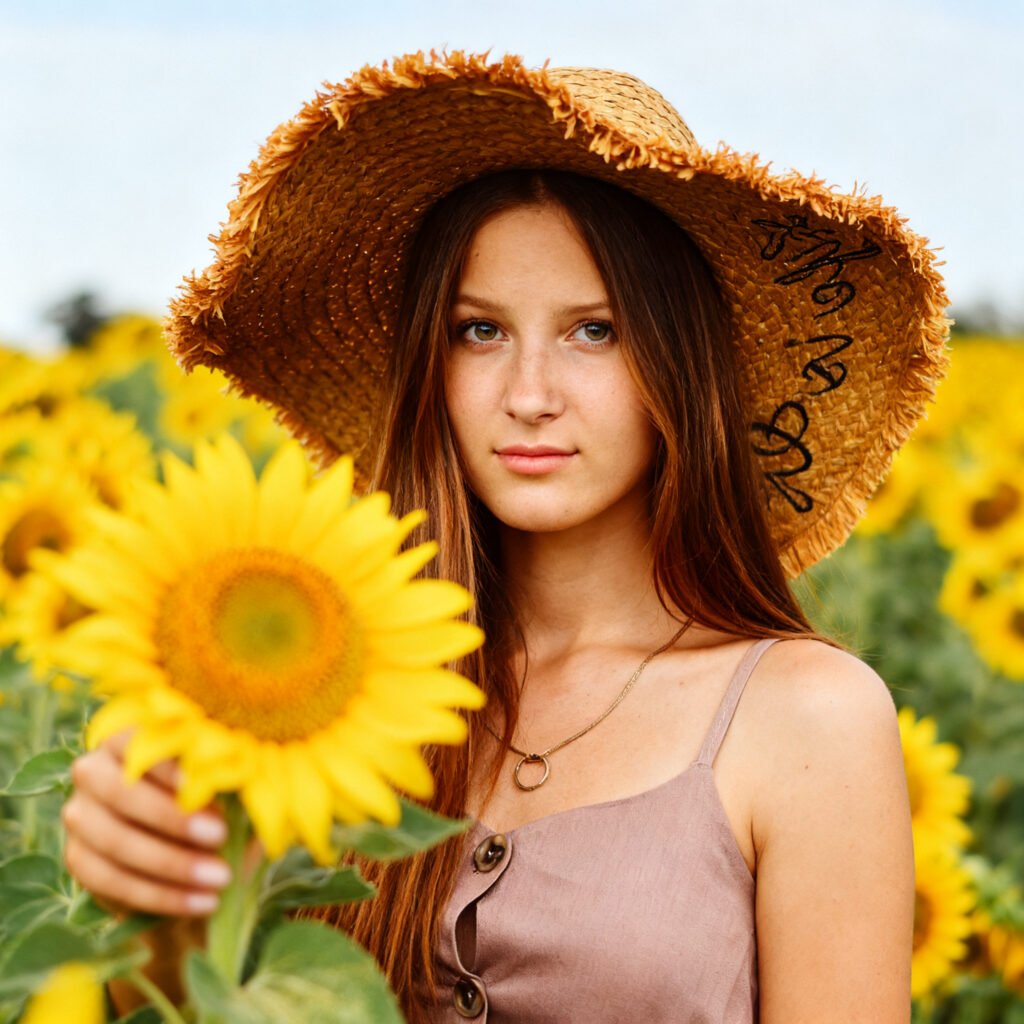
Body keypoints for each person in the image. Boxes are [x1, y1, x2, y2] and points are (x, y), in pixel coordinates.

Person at [62, 51, 950, 1023]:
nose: (528, 396)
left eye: (593, 331)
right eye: (479, 331)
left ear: (678, 365)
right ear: (429, 365)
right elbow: (188, 1001)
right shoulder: (329, 687)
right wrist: (147, 893)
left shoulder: (805, 718)